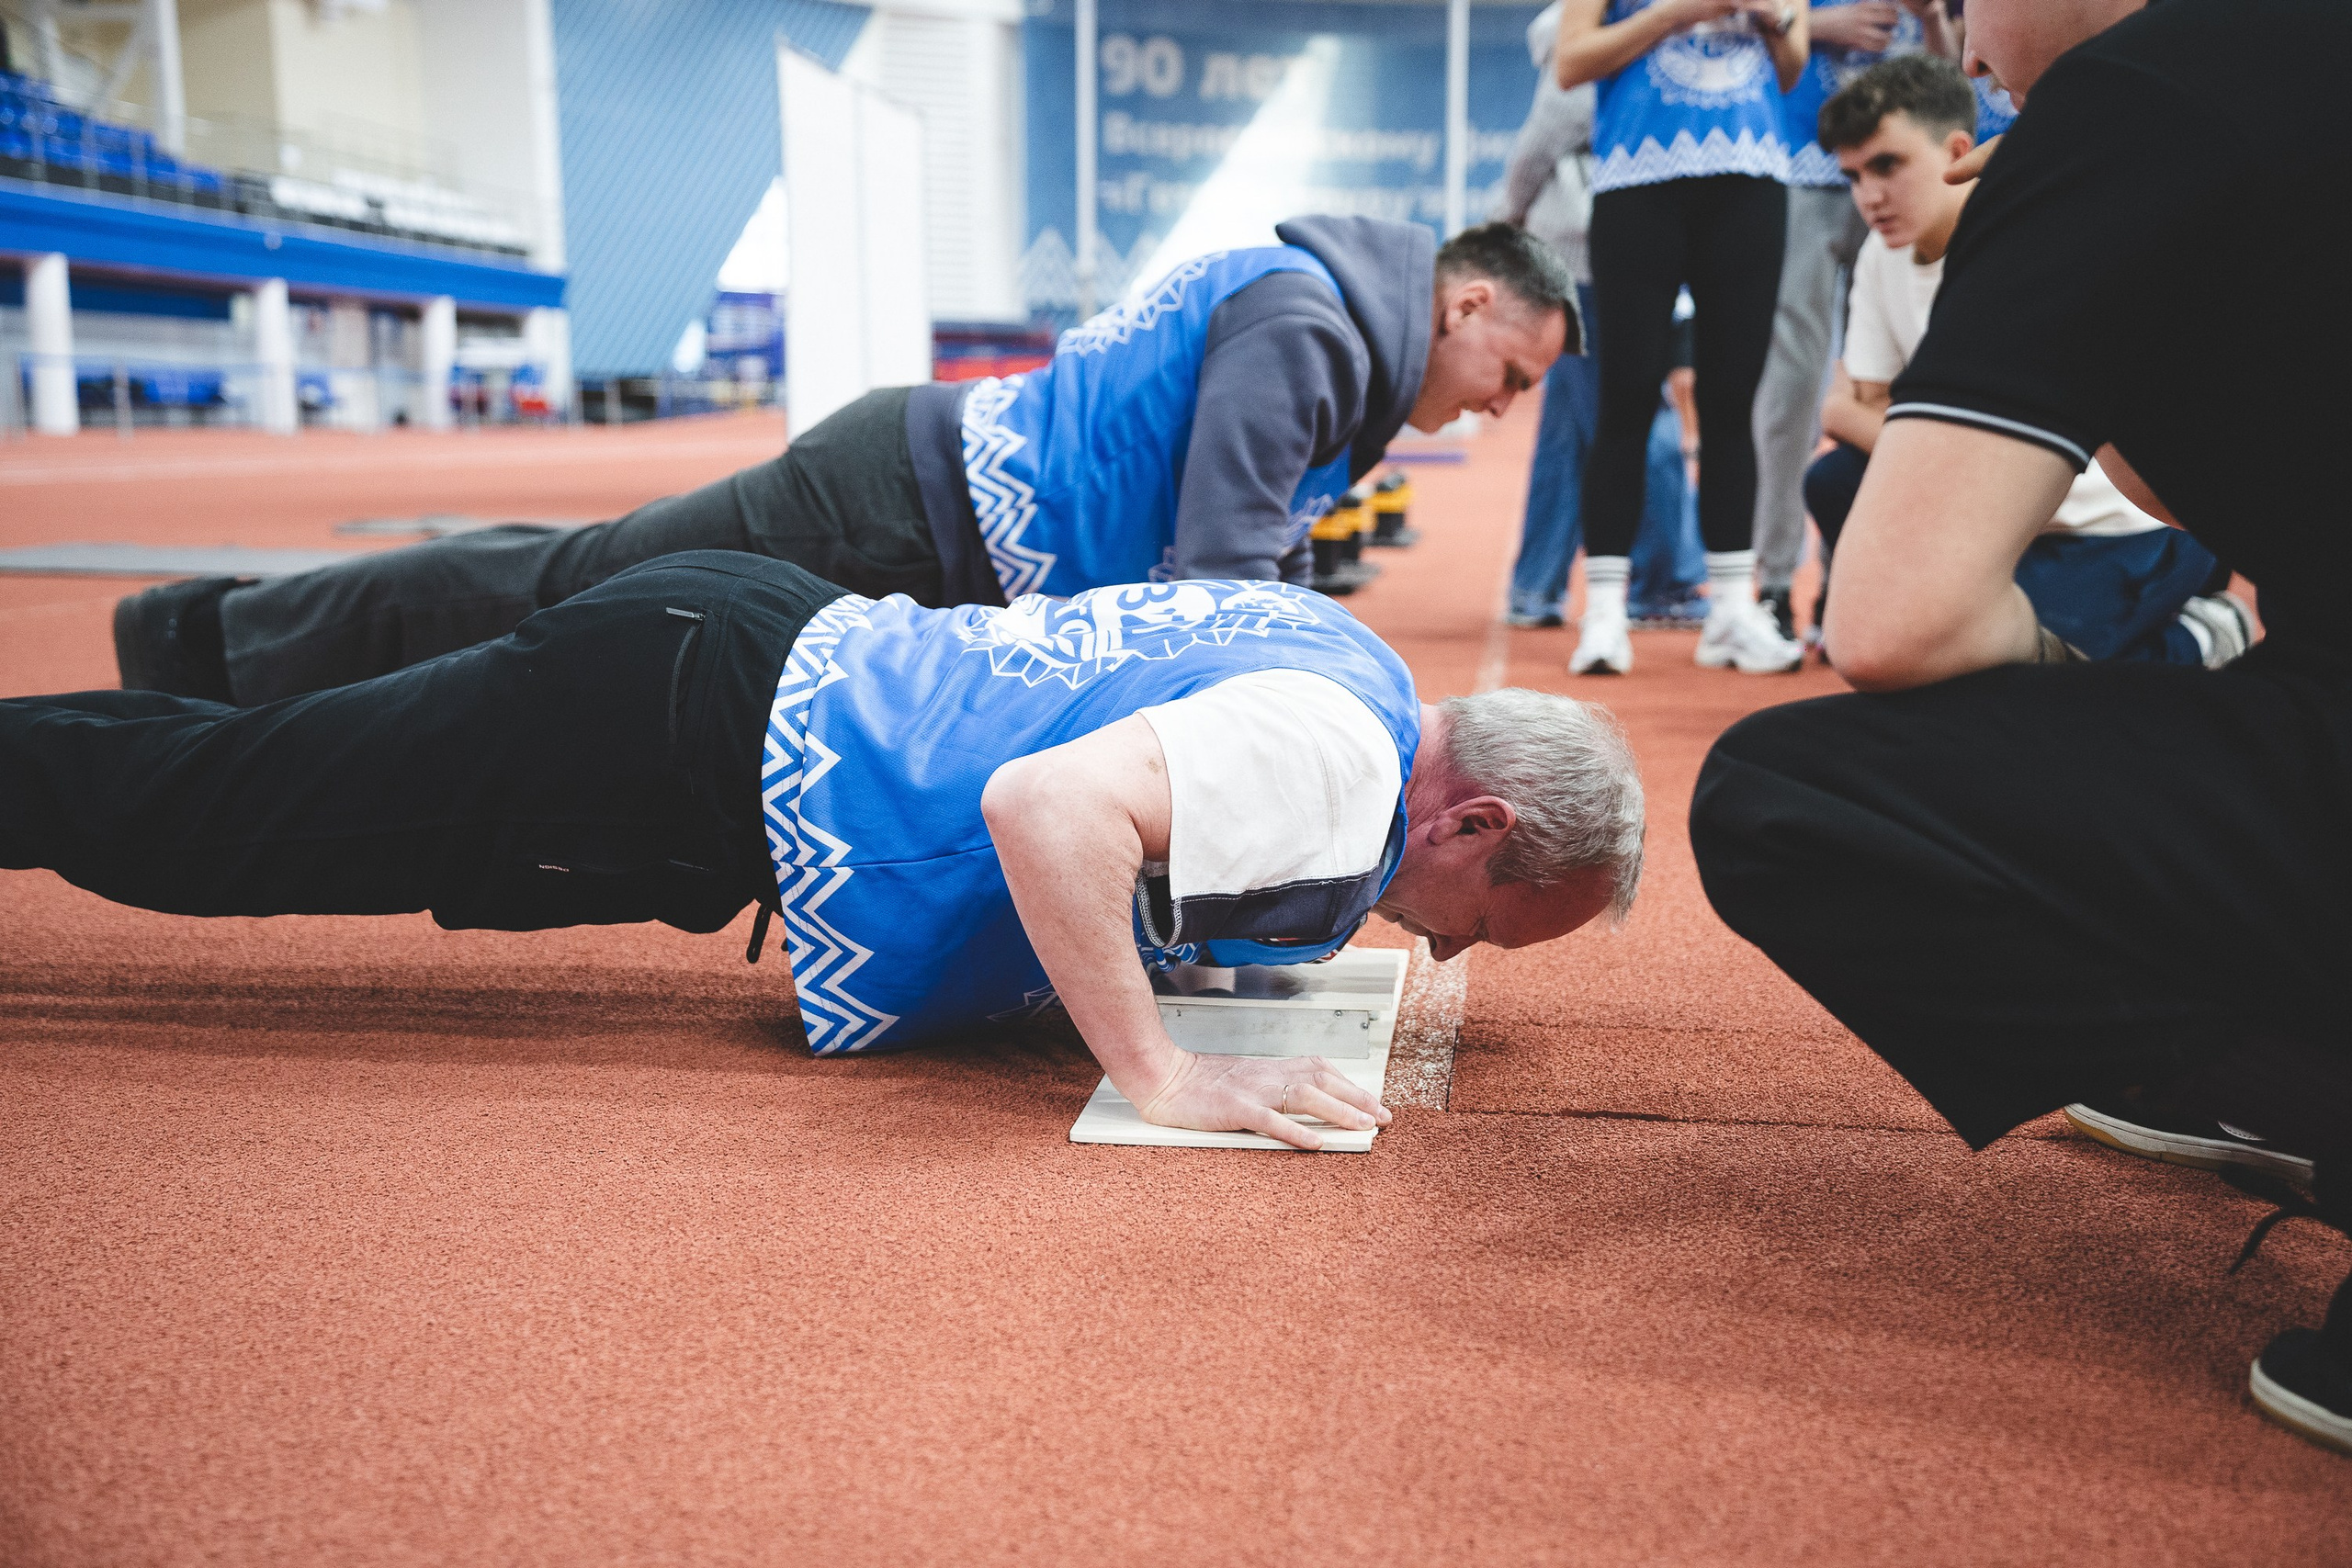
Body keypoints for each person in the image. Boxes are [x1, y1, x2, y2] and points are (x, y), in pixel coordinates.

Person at [13, 556, 1646, 1152]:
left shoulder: (1344, 660)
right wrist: (1160, 1072)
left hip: (721, 665)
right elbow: (1044, 809)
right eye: (1480, 925)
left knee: (246, 776)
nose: (1435, 950)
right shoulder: (1342, 765)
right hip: (676, 725)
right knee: (220, 816)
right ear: (1475, 821)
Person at [1690, 0, 2352, 1455]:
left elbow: (1892, 621)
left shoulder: (2130, 101)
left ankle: (2310, 1089)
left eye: (1966, 7)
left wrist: (2084, 698)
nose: (1963, 43)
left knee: (1780, 795)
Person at [114, 220, 1577, 707]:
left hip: (910, 515)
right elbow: (1217, 582)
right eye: (1510, 373)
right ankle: (213, 639)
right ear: (1459, 306)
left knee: (568, 604)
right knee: (567, 605)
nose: (1503, 407)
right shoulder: (1314, 332)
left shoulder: (1311, 306)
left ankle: (225, 641)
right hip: (886, 513)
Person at [1802, 53, 2250, 667]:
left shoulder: (2032, 231)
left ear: (1958, 150)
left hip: (2115, 519)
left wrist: (1874, 420)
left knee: (2025, 685)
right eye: (1852, 176)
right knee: (1833, 481)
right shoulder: (1886, 253)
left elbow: (1864, 408)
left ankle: (2207, 630)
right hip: (2002, 511)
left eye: (1888, 165)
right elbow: (1852, 408)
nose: (1870, 197)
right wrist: (1880, 422)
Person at [1555, 0, 1810, 678]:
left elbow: (1792, 69)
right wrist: (1678, 13)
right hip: (1639, 180)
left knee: (1732, 400)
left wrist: (1774, 17)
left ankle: (1731, 607)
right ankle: (1604, 611)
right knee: (1627, 395)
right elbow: (1570, 62)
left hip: (1752, 178)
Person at [1747, 0, 1958, 639]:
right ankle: (1775, 581)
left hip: (1913, 182)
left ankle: (1850, 580)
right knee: (1792, 385)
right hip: (1802, 168)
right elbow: (1736, 40)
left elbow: (1950, 85)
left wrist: (1930, 20)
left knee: (1890, 382)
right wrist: (1819, 26)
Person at [1500, 4, 1704, 630]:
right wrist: (1501, 220)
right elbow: (1536, 148)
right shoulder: (1599, 48)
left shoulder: (1599, 41)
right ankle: (1663, 579)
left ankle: (1536, 586)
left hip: (1587, 256)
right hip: (1595, 261)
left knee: (1569, 431)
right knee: (1638, 417)